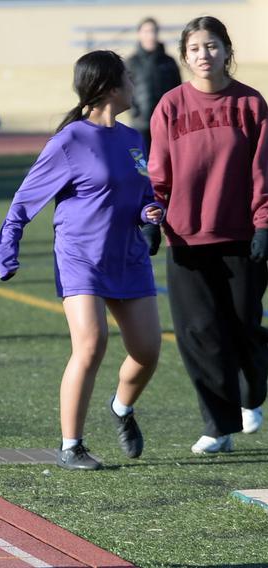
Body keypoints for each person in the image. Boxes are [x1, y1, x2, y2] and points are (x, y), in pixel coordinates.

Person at [0, 50, 163, 470]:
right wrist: (7, 248)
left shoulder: (132, 139)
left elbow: (144, 196)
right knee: (91, 343)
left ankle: (122, 407)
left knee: (147, 351)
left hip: (128, 257)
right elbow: (25, 199)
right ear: (107, 87)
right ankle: (72, 445)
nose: (133, 82)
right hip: (80, 257)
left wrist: (150, 212)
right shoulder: (69, 140)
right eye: (127, 76)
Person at [148, 16, 267, 455]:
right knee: (199, 333)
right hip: (186, 239)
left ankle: (252, 392)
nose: (204, 55)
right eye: (195, 48)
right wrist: (151, 218)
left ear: (226, 50)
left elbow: (263, 172)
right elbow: (158, 172)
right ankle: (219, 427)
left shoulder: (251, 104)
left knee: (243, 327)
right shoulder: (170, 106)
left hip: (240, 235)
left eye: (212, 46)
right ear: (185, 55)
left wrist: (264, 224)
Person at [126, 17, 182, 151]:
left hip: (166, 124)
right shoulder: (131, 62)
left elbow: (178, 90)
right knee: (142, 166)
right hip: (140, 125)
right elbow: (125, 89)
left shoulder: (169, 61)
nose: (151, 35)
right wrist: (135, 113)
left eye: (154, 31)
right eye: (146, 31)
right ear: (139, 34)